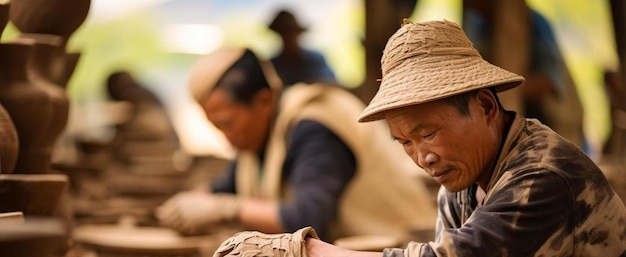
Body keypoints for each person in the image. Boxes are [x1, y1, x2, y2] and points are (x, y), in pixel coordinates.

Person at [208, 20, 626, 257]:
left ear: (484, 105)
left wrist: (303, 252)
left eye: (428, 133)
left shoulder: (543, 177)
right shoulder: (461, 183)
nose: (422, 157)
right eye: (404, 142)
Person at [156, 47, 437, 243]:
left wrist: (223, 209)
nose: (224, 136)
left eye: (227, 124)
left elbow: (308, 218)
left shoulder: (316, 124)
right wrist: (187, 204)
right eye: (215, 127)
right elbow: (224, 187)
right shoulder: (258, 137)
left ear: (264, 101)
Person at [463, 0, 587, 150]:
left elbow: (551, 82)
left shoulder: (534, 24)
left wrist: (502, 90)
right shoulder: (478, 26)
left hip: (550, 123)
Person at [266, 9, 337, 86]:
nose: (288, 38)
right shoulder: (273, 65)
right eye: (284, 33)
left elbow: (329, 82)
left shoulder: (315, 59)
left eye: (291, 33)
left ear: (297, 33)